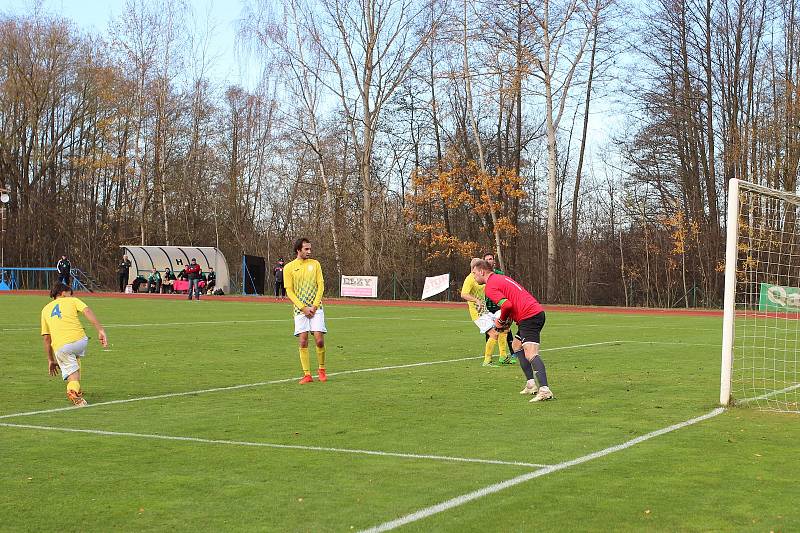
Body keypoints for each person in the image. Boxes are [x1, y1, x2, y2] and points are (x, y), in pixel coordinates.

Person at [471, 259, 553, 402]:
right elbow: (512, 301)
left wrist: (501, 321)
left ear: (481, 271)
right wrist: (507, 320)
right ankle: (531, 384)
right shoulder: (501, 278)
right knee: (516, 346)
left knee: (531, 353)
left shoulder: (490, 286)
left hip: (529, 316)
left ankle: (545, 390)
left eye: (474, 273)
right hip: (531, 313)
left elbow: (507, 305)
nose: (473, 276)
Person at [40, 282, 108, 406]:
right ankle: (75, 389)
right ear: (63, 293)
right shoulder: (72, 301)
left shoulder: (45, 310)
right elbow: (87, 311)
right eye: (69, 293)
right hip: (80, 340)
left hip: (60, 347)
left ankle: (73, 389)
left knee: (72, 371)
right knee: (74, 363)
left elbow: (46, 338)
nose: (71, 296)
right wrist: (100, 330)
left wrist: (50, 360)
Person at [284, 238, 327, 384]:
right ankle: (307, 375)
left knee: (319, 340)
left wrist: (314, 306)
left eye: (310, 249)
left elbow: (320, 286)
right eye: (306, 249)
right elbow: (289, 291)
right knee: (303, 341)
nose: (309, 251)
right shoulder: (289, 267)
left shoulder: (315, 264)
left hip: (316, 308)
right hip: (300, 310)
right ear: (298, 250)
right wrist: (303, 307)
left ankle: (321, 369)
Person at [461, 258, 509, 367]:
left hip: (485, 311)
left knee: (504, 328)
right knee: (494, 333)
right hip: (477, 313)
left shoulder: (482, 277)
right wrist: (476, 300)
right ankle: (487, 361)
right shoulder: (469, 279)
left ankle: (503, 356)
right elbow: (463, 294)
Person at [483, 252, 514, 362]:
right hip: (487, 306)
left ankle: (512, 353)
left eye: (491, 259)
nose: (489, 261)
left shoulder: (499, 274)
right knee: (489, 330)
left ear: (494, 261)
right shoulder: (482, 276)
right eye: (487, 259)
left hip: (499, 305)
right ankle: (488, 355)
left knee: (506, 329)